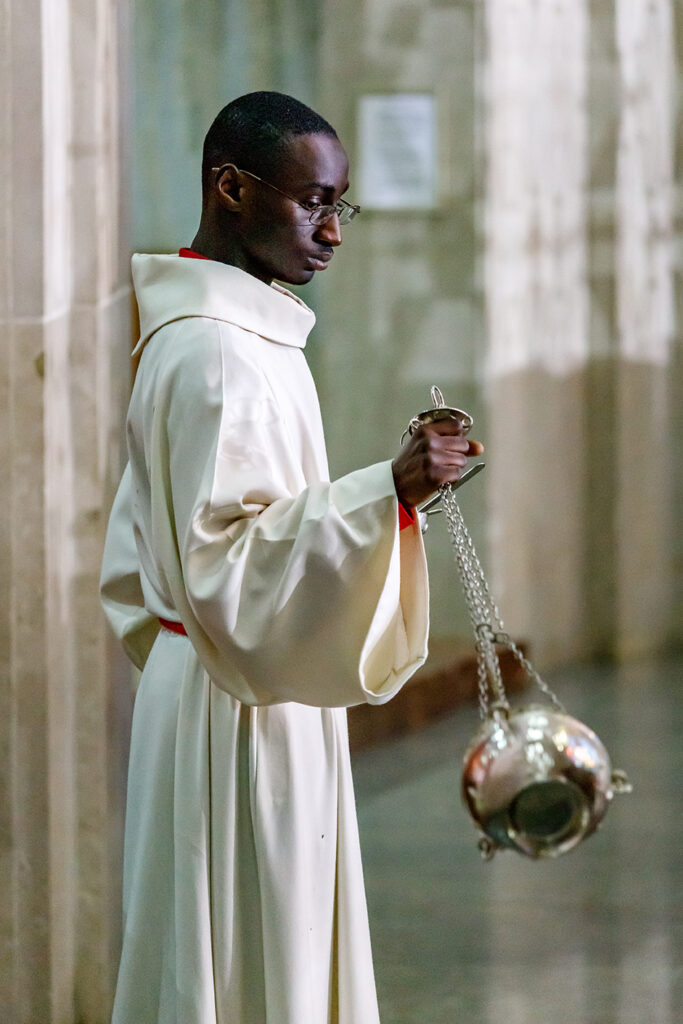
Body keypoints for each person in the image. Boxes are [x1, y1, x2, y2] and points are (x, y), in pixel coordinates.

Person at [101, 91, 483, 1024]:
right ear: (232, 188)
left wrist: (382, 498)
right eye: (312, 201)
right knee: (245, 956)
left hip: (249, 684)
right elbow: (222, 567)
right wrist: (382, 489)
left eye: (339, 205)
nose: (332, 232)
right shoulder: (212, 354)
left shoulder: (245, 331)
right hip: (234, 701)